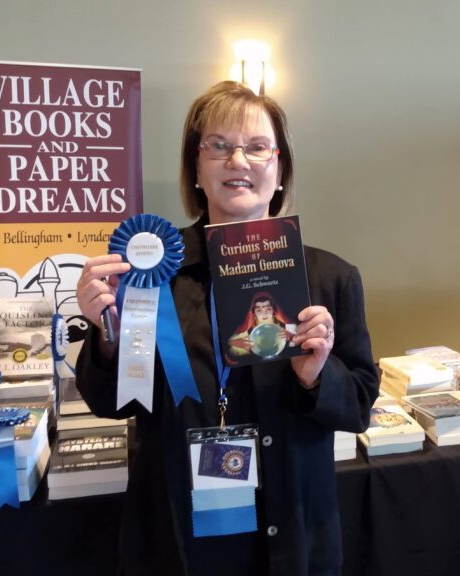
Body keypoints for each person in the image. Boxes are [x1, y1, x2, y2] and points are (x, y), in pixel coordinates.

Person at [75, 81, 378, 576]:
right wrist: (107, 331)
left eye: (258, 147)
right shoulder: (150, 275)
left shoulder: (330, 278)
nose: (238, 161)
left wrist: (315, 376)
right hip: (178, 535)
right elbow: (116, 403)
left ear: (280, 171)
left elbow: (360, 405)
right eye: (218, 146)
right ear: (196, 169)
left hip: (293, 529)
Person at [228, 291, 295, 358]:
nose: (264, 314)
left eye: (268, 309)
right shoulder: (246, 332)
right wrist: (232, 342)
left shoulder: (288, 327)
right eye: (259, 310)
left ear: (273, 310)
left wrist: (293, 337)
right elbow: (229, 348)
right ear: (254, 313)